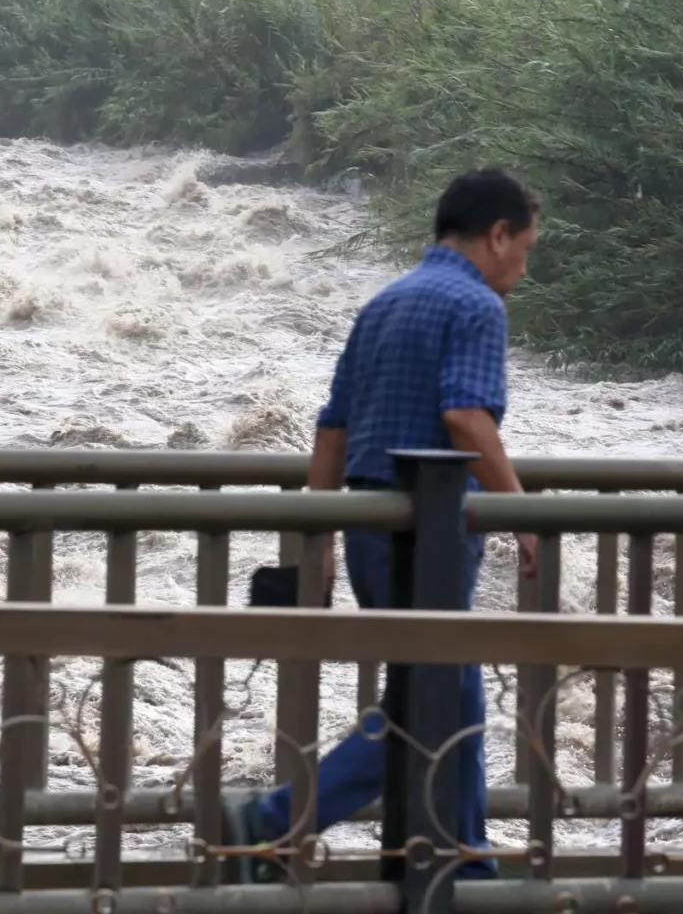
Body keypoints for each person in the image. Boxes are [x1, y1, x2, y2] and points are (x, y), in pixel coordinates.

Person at [222, 167, 542, 883]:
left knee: (445, 694)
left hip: (369, 526)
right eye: (526, 247)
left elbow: (332, 429)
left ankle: (463, 862)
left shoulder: (385, 302)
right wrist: (522, 513)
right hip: (425, 535)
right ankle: (272, 822)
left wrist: (322, 531)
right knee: (435, 700)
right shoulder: (477, 306)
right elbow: (466, 415)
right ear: (497, 236)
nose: (524, 265)